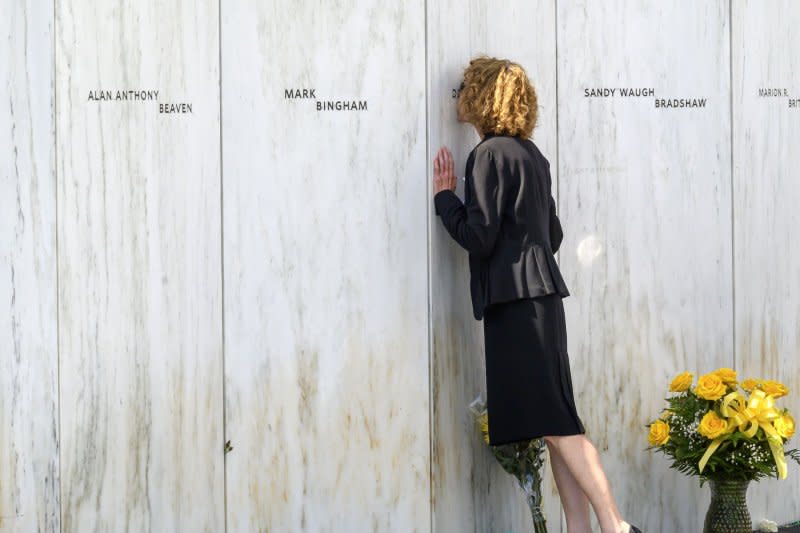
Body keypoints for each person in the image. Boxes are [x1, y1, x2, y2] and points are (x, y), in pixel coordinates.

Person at [432, 56, 642, 533]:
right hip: (541, 301)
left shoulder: (487, 156)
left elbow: (479, 237)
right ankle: (581, 528)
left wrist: (446, 199)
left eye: (463, 88)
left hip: (515, 307)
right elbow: (554, 233)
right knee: (556, 423)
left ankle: (614, 525)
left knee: (559, 424)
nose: (457, 97)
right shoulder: (532, 155)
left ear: (482, 96)